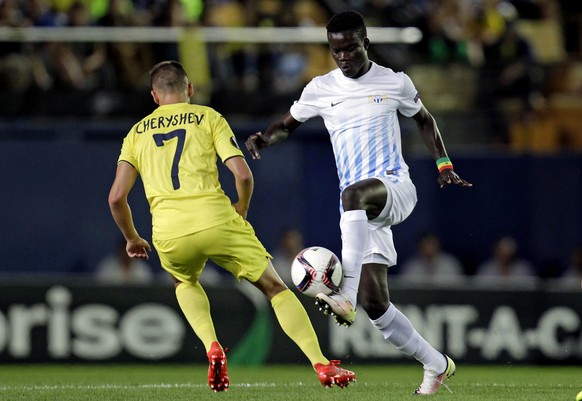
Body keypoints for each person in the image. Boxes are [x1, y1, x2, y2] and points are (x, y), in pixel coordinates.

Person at [245, 10, 472, 395]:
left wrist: (443, 162)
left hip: (393, 189)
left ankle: (343, 296)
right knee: (377, 304)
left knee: (351, 197)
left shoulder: (394, 80)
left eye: (351, 48)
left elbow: (425, 119)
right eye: (337, 51)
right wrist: (265, 138)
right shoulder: (321, 88)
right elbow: (287, 124)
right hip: (358, 212)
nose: (344, 57)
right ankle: (437, 364)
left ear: (365, 42)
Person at [107, 60, 355, 392]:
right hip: (216, 217)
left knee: (183, 280)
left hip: (168, 230)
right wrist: (242, 208)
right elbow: (243, 175)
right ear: (190, 88)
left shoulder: (135, 134)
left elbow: (115, 197)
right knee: (275, 289)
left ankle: (212, 345)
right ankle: (320, 363)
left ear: (154, 96)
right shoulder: (209, 118)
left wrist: (132, 238)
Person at [399, 232, 465, 285]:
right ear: (419, 247)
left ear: (437, 245)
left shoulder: (450, 263)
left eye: (431, 244)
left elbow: (457, 287)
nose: (429, 248)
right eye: (425, 245)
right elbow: (407, 290)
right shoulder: (411, 266)